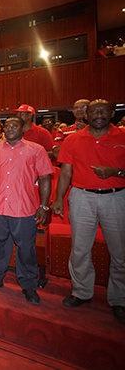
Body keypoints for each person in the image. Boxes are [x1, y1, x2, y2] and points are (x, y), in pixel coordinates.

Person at [52, 99, 125, 323]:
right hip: (82, 197)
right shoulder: (73, 139)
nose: (99, 115)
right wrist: (58, 199)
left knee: (120, 253)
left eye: (104, 111)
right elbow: (65, 172)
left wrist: (116, 172)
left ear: (112, 113)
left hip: (116, 197)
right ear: (86, 115)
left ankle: (119, 299)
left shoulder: (122, 136)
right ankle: (81, 291)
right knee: (80, 249)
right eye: (94, 112)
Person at [0, 117, 54, 305]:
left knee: (26, 249)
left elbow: (45, 178)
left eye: (15, 125)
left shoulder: (36, 150)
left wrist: (44, 205)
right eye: (8, 126)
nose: (11, 128)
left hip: (24, 208)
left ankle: (28, 284)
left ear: (22, 129)